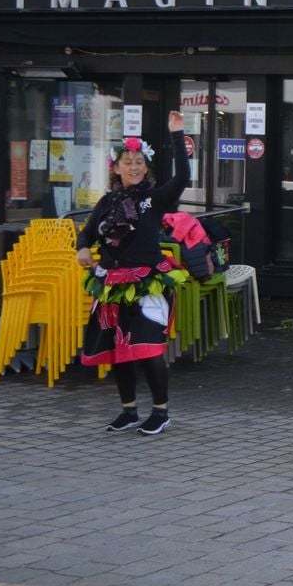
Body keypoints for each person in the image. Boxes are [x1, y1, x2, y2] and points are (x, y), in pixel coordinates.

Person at [75, 112, 191, 436]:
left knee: (148, 348)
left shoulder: (154, 199)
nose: (134, 167)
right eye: (127, 162)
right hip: (112, 285)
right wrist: (82, 249)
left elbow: (183, 177)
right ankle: (128, 410)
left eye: (139, 162)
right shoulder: (107, 201)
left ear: (146, 167)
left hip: (147, 283)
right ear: (116, 167)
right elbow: (87, 234)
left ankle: (161, 411)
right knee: (119, 351)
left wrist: (177, 134)